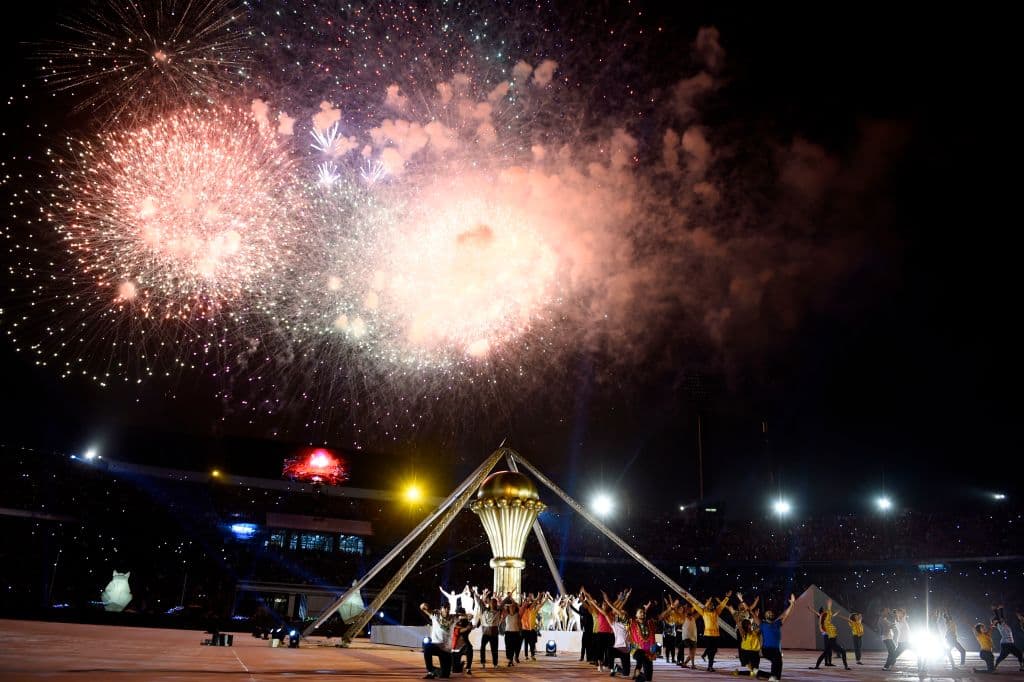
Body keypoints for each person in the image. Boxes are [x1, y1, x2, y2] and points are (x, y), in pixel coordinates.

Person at [757, 594, 796, 681]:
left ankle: (770, 676)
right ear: (765, 616)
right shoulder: (762, 624)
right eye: (768, 613)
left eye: (771, 613)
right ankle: (773, 677)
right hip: (766, 649)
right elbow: (751, 612)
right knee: (776, 661)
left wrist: (792, 604)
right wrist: (742, 600)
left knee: (779, 664)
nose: (770, 614)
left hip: (776, 650)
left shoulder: (777, 623)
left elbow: (786, 614)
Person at [695, 590, 731, 672]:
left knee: (713, 651)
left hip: (716, 635)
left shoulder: (716, 612)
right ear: (707, 606)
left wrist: (727, 597)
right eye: (710, 605)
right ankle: (709, 666)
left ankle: (708, 662)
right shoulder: (704, 612)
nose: (711, 606)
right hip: (708, 635)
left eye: (712, 605)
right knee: (711, 651)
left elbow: (722, 605)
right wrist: (687, 597)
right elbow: (696, 606)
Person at [420, 601, 455, 679]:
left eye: (448, 608)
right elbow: (422, 607)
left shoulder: (453, 618)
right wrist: (425, 605)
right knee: (427, 647)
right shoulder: (435, 615)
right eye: (445, 607)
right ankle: (430, 671)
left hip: (446, 651)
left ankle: (436, 671)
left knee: (445, 675)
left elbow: (470, 616)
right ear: (441, 609)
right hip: (436, 646)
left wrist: (465, 616)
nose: (447, 609)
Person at [811, 600, 849, 670]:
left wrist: (833, 610)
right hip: (832, 640)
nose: (829, 617)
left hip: (831, 639)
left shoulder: (827, 622)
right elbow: (826, 617)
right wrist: (829, 607)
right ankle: (846, 666)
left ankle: (817, 666)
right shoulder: (826, 623)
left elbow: (829, 616)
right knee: (843, 651)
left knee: (825, 653)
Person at [627, 604, 658, 682]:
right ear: (636, 615)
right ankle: (637, 674)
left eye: (644, 612)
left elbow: (660, 618)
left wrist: (670, 608)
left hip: (648, 652)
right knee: (641, 656)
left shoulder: (650, 623)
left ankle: (638, 675)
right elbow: (621, 614)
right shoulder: (632, 623)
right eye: (640, 612)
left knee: (648, 678)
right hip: (636, 650)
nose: (643, 614)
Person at [472, 588, 501, 669]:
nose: (493, 604)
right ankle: (483, 662)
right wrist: (474, 593)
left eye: (494, 603)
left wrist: (508, 597)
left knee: (494, 649)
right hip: (486, 633)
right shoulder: (485, 610)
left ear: (496, 604)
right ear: (489, 603)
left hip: (494, 633)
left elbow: (503, 604)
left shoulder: (498, 611)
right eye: (492, 603)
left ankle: (495, 664)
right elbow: (479, 602)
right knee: (482, 648)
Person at [993, 606, 1024, 671]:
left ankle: (1021, 667)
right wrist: (996, 610)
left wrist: (1001, 609)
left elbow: (1001, 618)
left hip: (1011, 643)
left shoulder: (1004, 624)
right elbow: (999, 618)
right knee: (1002, 656)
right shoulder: (999, 625)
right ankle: (994, 667)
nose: (1002, 619)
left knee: (1019, 654)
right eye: (1000, 620)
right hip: (1005, 644)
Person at [451, 609, 476, 675]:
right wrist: (466, 628)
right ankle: (460, 665)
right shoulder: (453, 621)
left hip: (463, 646)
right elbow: (457, 631)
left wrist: (469, 623)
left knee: (469, 648)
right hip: (454, 648)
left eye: (462, 614)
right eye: (460, 614)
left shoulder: (467, 622)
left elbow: (470, 627)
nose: (461, 617)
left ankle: (468, 668)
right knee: (455, 670)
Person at [501, 593, 522, 666]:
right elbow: (502, 604)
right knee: (508, 647)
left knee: (515, 647)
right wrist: (507, 597)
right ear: (508, 608)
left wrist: (511, 599)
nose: (512, 608)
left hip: (516, 633)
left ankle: (512, 659)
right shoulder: (506, 614)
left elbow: (516, 605)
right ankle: (510, 660)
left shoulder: (517, 615)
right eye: (510, 607)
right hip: (508, 633)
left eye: (513, 607)